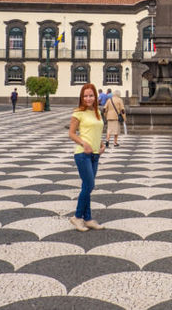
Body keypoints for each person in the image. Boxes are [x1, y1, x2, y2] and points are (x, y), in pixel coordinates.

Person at [68, 83, 106, 232]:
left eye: (91, 95)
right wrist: (84, 144)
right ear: (81, 98)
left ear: (95, 96)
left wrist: (101, 144)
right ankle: (77, 217)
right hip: (82, 154)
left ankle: (88, 218)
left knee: (86, 186)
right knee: (89, 185)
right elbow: (71, 134)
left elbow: (96, 130)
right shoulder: (78, 112)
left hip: (95, 154)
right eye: (85, 96)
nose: (88, 98)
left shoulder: (97, 112)